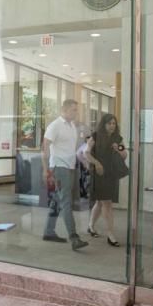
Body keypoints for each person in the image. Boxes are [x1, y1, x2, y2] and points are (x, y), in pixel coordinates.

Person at [41, 99, 89, 250]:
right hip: (59, 167)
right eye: (74, 109)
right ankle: (74, 237)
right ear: (65, 109)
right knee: (66, 201)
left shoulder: (72, 126)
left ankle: (49, 231)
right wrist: (45, 170)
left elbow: (71, 148)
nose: (76, 112)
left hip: (70, 167)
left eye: (76, 110)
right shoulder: (55, 126)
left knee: (57, 199)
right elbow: (45, 148)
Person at [84, 114, 128, 247]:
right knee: (107, 203)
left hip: (111, 173)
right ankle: (110, 234)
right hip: (99, 173)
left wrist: (118, 149)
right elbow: (86, 153)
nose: (112, 126)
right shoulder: (95, 136)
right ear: (104, 124)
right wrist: (97, 163)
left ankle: (91, 226)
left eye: (114, 123)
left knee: (100, 202)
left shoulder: (118, 138)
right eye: (109, 123)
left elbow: (124, 155)